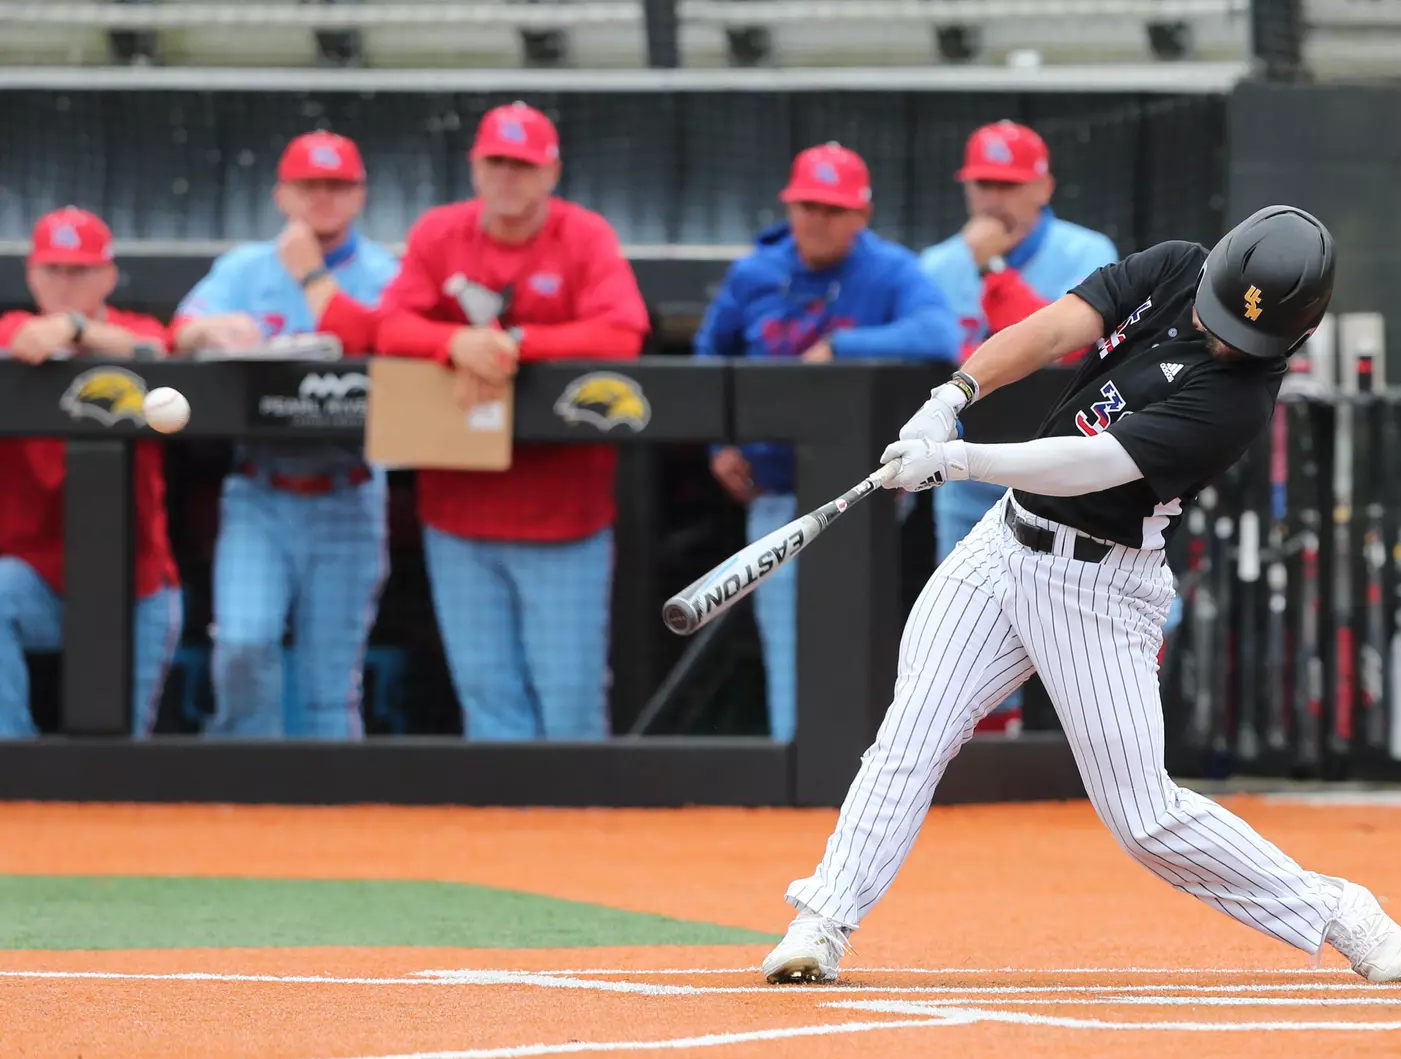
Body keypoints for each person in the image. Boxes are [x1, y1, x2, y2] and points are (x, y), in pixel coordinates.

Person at [759, 206, 1401, 986]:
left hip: (1097, 586)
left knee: (1144, 819)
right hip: (1002, 546)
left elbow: (1091, 464)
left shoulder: (1237, 402)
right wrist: (955, 391)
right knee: (912, 734)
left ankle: (1334, 909)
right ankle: (823, 919)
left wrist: (957, 461)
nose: (1219, 340)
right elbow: (1050, 330)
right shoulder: (1177, 264)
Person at [375, 102, 650, 741]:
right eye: (496, 161)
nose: (508, 177)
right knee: (488, 698)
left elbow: (623, 331)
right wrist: (454, 345)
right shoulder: (440, 232)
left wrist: (513, 343)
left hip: (564, 516)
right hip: (459, 512)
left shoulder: (583, 235)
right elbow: (389, 325)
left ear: (550, 171)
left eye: (523, 165)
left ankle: (581, 839)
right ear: (475, 165)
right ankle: (509, 842)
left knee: (571, 702)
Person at [695, 142, 958, 743]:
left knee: (851, 634)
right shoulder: (756, 271)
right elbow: (710, 356)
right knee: (786, 635)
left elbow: (938, 334)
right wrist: (719, 443)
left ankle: (856, 774)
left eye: (832, 209)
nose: (816, 219)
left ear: (860, 214)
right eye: (807, 206)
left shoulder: (890, 269)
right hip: (774, 487)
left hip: (862, 494)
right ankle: (796, 762)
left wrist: (845, 345)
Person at [172, 131, 399, 739]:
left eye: (337, 185)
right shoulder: (246, 267)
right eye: (308, 186)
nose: (322, 198)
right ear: (281, 194)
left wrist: (311, 275)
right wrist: (212, 329)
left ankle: (330, 825)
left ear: (360, 194)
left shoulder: (384, 272)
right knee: (243, 643)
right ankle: (243, 808)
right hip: (260, 489)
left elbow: (392, 342)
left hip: (348, 488)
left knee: (330, 686)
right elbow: (182, 329)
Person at [919, 122, 1120, 731]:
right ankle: (985, 766)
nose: (993, 199)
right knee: (966, 630)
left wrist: (995, 268)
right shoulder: (937, 264)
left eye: (1009, 183)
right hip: (963, 471)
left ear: (1044, 187)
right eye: (983, 183)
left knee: (1097, 626)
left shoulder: (1089, 254)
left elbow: (1065, 349)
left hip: (1064, 468)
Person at [0, 207, 182, 737]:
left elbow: (157, 350)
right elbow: (18, 338)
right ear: (31, 275)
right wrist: (43, 337)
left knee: (122, 755)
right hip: (38, 579)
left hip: (138, 584)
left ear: (106, 275)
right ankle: (13, 770)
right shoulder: (13, 329)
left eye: (79, 271)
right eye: (52, 270)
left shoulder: (136, 331)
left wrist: (79, 329)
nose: (63, 284)